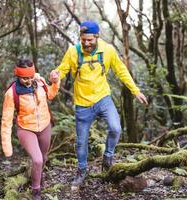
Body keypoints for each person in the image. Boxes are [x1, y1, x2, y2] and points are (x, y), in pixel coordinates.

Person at [50, 20, 148, 186]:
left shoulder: (108, 50)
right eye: (83, 40)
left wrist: (135, 90)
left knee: (116, 128)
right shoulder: (73, 52)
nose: (86, 43)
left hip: (103, 99)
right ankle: (82, 171)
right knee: (81, 142)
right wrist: (55, 76)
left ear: (97, 37)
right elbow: (62, 69)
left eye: (90, 40)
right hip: (82, 104)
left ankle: (108, 157)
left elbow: (121, 70)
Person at [1, 59, 60, 200]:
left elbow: (51, 94)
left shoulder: (40, 83)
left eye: (30, 77)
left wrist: (55, 81)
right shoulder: (12, 93)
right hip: (26, 129)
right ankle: (36, 191)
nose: (28, 80)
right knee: (38, 160)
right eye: (24, 78)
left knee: (44, 158)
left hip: (45, 126)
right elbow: (6, 121)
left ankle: (39, 176)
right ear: (18, 75)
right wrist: (7, 147)